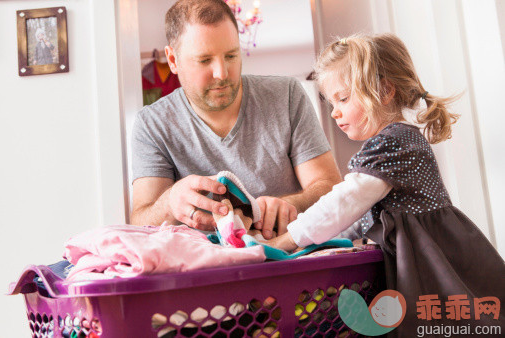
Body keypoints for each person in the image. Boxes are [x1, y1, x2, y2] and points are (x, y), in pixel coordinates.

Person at [265, 33, 505, 334]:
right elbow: (356, 215)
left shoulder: (395, 142)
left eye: (343, 98)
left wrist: (286, 240)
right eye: (331, 103)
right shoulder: (391, 144)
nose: (335, 112)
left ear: (384, 91)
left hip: (429, 266)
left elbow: (343, 203)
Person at [130, 0, 341, 239]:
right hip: (207, 268)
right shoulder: (152, 124)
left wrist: (291, 204)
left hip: (294, 256)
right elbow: (140, 222)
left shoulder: (287, 95)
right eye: (204, 60)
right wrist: (169, 202)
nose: (222, 73)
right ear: (173, 60)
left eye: (231, 55)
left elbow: (330, 186)